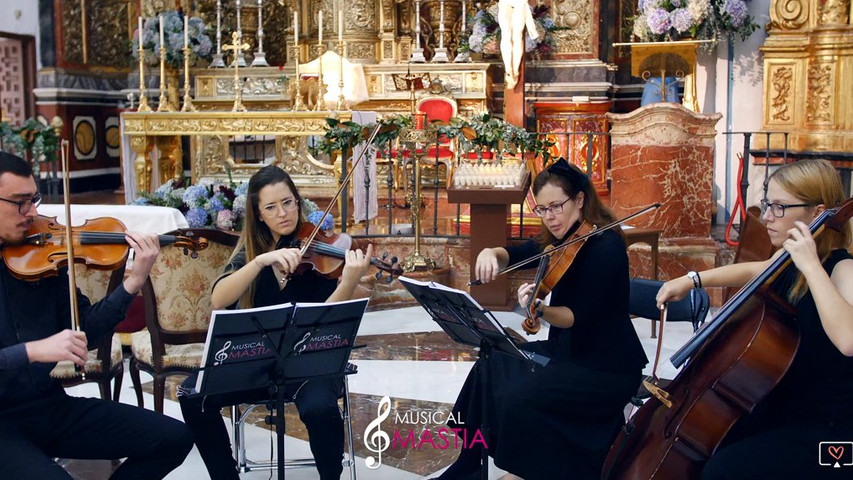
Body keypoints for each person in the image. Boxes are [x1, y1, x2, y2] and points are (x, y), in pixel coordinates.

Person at [436, 158, 647, 479]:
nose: (550, 217)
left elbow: (574, 317)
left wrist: (540, 309)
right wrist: (490, 252)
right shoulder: (560, 238)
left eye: (556, 207)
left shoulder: (607, 246)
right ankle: (468, 461)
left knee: (521, 399)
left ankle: (534, 469)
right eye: (542, 210)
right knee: (488, 368)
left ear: (579, 200)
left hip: (605, 366)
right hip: (568, 352)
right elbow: (517, 252)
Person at [0, 151, 193, 479]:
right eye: (20, 202)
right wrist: (33, 351)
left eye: (33, 199)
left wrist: (133, 282)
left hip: (48, 407)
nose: (32, 212)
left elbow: (85, 328)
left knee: (173, 438)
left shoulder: (42, 261)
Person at [656, 159, 853, 479]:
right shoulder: (787, 258)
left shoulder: (843, 269)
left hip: (835, 437)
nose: (767, 218)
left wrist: (812, 266)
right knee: (711, 447)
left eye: (779, 207)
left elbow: (848, 341)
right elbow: (754, 270)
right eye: (766, 204)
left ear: (816, 213)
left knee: (726, 470)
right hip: (788, 409)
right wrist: (692, 279)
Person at [179, 164, 372, 480]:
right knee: (193, 396)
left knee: (321, 407)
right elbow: (218, 298)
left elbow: (325, 319)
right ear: (259, 214)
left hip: (310, 364)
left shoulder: (321, 253)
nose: (282, 213)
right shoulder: (253, 254)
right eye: (271, 207)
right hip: (258, 363)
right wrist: (260, 261)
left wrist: (348, 281)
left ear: (298, 202)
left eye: (288, 202)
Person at [498, 0, 539, 89]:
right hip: (511, 4)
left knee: (511, 36)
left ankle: (512, 70)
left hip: (517, 4)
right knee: (511, 36)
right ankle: (511, 70)